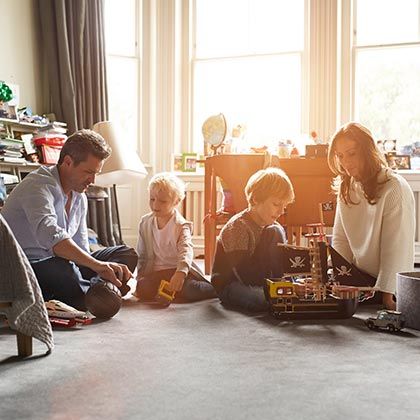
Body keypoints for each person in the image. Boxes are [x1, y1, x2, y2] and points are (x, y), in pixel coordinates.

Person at [2, 129, 137, 311]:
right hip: (26, 267)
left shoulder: (79, 196)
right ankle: (101, 292)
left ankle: (94, 293)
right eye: (88, 172)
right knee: (65, 271)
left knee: (125, 254)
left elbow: (81, 249)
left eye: (96, 172)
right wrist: (98, 267)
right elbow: (54, 240)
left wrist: (99, 266)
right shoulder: (38, 186)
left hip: (62, 262)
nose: (93, 179)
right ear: (67, 162)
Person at [328, 122, 415, 310]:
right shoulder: (347, 186)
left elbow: (395, 248)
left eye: (351, 153)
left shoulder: (394, 188)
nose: (345, 162)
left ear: (367, 151)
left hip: (388, 281)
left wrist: (387, 291)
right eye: (340, 156)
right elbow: (341, 239)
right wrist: (336, 277)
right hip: (359, 276)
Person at [211, 167, 295, 312]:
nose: (281, 211)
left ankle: (279, 291)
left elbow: (281, 265)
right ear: (256, 199)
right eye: (276, 204)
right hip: (232, 283)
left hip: (262, 279)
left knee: (276, 231)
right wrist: (274, 289)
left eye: (284, 207)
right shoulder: (237, 228)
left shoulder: (273, 227)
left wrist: (289, 284)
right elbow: (245, 276)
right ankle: (275, 293)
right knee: (265, 298)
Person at [135, 172, 216, 303]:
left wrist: (180, 273)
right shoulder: (145, 223)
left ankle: (215, 288)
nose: (156, 205)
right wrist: (140, 276)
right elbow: (142, 254)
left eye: (162, 201)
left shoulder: (181, 225)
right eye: (152, 199)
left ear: (176, 201)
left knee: (191, 291)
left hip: (177, 271)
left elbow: (186, 251)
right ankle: (172, 292)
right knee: (143, 288)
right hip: (156, 273)